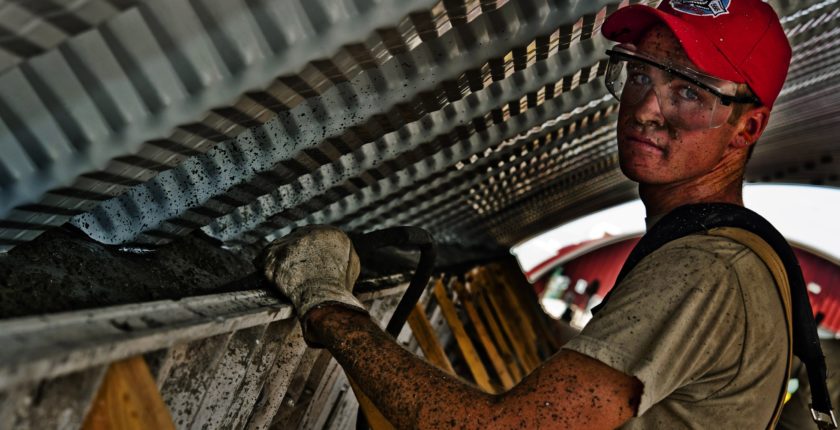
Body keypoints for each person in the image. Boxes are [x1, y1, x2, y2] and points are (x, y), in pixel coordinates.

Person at [259, 0, 795, 427]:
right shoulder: (737, 259)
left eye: (689, 92)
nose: (647, 107)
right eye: (640, 75)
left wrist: (327, 302)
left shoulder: (706, 271)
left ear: (748, 128)